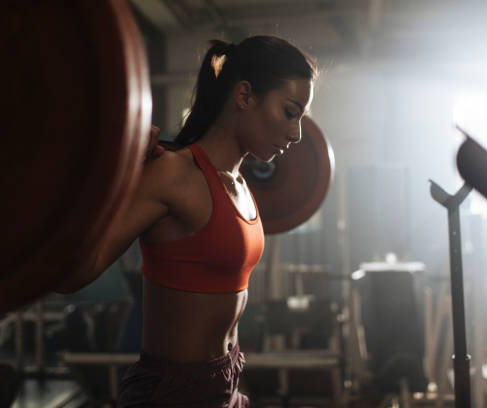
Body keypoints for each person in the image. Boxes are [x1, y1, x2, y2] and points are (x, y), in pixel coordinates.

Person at [57, 35, 316, 407]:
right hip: (171, 394)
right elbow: (73, 275)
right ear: (244, 96)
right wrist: (106, 178)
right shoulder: (172, 174)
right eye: (290, 112)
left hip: (225, 384)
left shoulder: (240, 184)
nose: (297, 134)